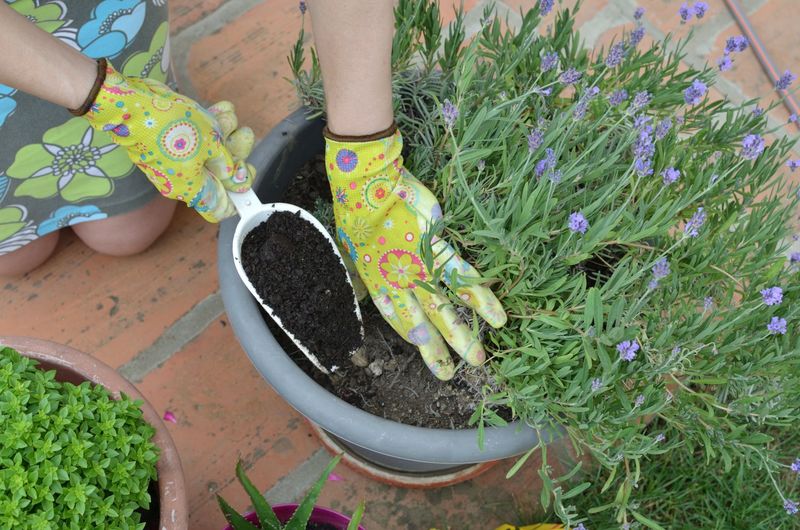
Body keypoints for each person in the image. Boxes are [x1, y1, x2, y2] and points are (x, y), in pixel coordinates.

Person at [0, 0, 506, 381]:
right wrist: (97, 95)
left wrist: (366, 160)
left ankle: (131, 104)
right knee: (19, 254)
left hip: (94, 25)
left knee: (130, 232)